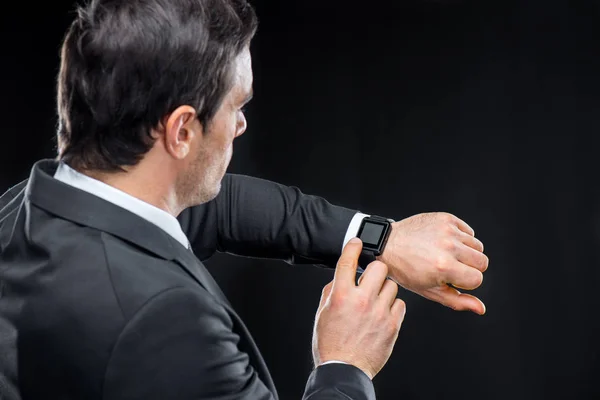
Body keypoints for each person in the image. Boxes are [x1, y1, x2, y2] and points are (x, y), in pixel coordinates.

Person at [0, 0, 489, 398]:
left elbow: (216, 207)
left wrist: (384, 240)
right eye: (237, 105)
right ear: (182, 131)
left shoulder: (33, 206)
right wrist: (344, 365)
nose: (241, 124)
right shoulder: (166, 322)